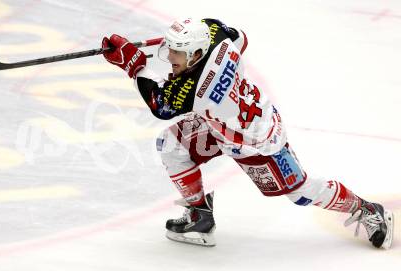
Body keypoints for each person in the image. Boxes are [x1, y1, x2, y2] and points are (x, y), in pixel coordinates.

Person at [101, 18, 394, 248]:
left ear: (197, 54)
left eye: (176, 51)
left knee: (300, 192)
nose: (170, 57)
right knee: (171, 144)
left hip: (258, 143)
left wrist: (134, 64)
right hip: (223, 123)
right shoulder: (218, 39)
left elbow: (160, 105)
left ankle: (368, 209)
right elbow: (239, 35)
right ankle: (199, 216)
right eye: (172, 48)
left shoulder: (197, 89)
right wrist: (170, 42)